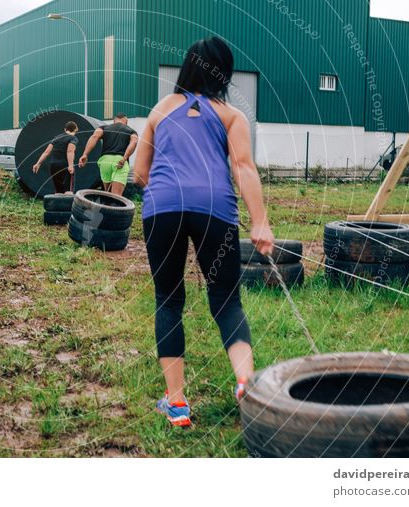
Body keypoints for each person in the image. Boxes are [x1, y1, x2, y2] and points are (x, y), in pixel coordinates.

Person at [133, 37, 275, 427]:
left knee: (168, 299)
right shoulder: (231, 116)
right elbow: (243, 168)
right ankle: (246, 383)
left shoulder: (160, 111)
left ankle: (176, 403)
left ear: (185, 67)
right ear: (223, 74)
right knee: (227, 301)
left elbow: (139, 173)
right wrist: (260, 222)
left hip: (162, 208)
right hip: (216, 209)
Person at [78, 113, 139, 195]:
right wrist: (124, 158)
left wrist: (85, 154)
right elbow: (134, 142)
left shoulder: (104, 128)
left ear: (114, 120)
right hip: (119, 161)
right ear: (126, 121)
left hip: (105, 161)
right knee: (116, 197)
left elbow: (94, 137)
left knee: (107, 194)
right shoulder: (131, 131)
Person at [32, 122, 78, 194]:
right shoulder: (73, 138)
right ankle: (67, 205)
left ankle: (58, 205)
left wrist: (38, 163)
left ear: (65, 129)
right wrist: (70, 165)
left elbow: (46, 152)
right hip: (65, 165)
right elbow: (70, 151)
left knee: (58, 191)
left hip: (53, 165)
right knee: (68, 191)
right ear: (75, 130)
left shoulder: (57, 138)